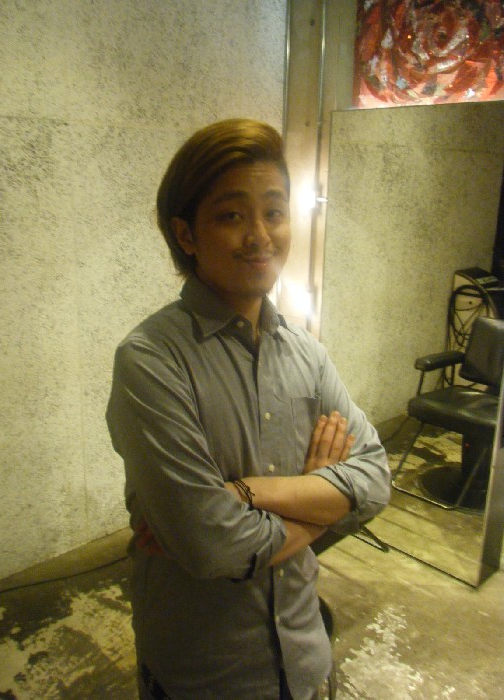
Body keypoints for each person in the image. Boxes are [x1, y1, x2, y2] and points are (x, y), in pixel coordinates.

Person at [106, 118, 391, 700]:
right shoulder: (151, 361)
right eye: (232, 215)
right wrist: (319, 504)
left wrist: (246, 493)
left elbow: (376, 477)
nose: (260, 235)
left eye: (275, 212)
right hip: (205, 673)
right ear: (186, 234)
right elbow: (211, 544)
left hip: (306, 657)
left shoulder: (306, 353)